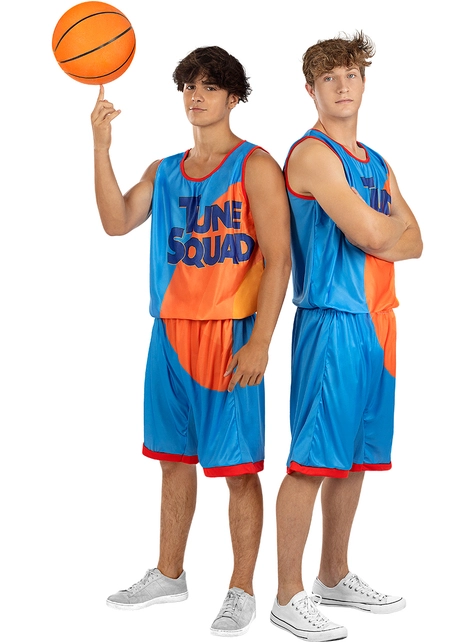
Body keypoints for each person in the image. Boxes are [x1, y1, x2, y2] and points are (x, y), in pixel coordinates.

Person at [90, 46, 291, 636]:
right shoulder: (164, 170)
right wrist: (101, 148)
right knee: (172, 462)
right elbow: (116, 221)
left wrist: (261, 341)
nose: (196, 96)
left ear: (233, 97)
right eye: (189, 86)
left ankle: (242, 589)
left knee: (238, 469)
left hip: (229, 336)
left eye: (209, 87)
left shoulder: (255, 165)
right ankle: (169, 573)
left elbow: (279, 259)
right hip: (168, 335)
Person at [270, 32, 423, 641]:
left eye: (351, 75)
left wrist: (384, 232)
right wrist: (385, 232)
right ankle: (287, 595)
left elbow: (416, 240)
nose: (341, 86)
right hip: (331, 321)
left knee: (354, 458)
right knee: (311, 460)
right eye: (328, 77)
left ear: (364, 82)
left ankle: (334, 575)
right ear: (310, 89)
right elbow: (379, 235)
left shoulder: (376, 161)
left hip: (379, 322)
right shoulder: (312, 155)